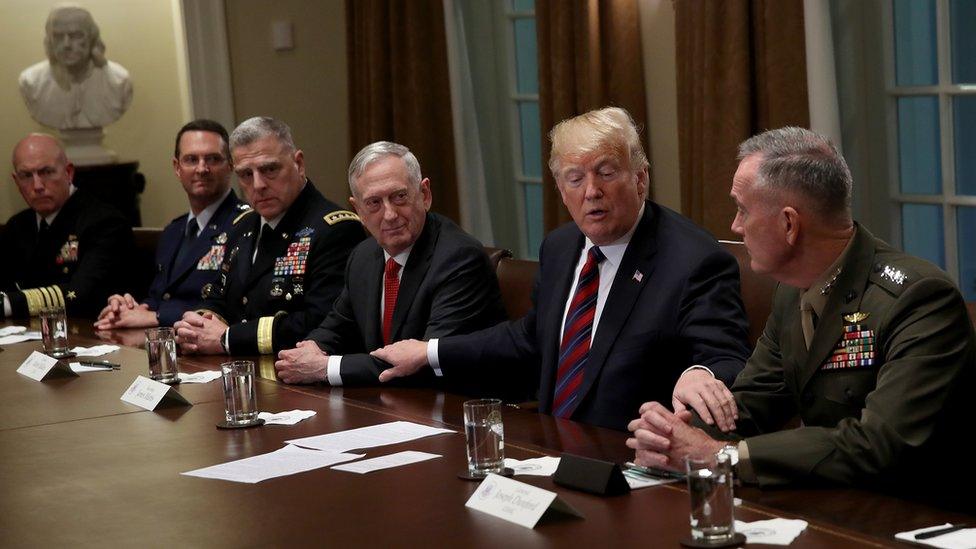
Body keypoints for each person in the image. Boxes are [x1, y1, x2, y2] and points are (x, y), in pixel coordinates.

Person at [627, 127, 976, 498]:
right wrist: (677, 434)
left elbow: (879, 443)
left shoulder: (919, 299)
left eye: (743, 209)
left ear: (789, 224)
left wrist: (720, 456)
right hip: (827, 499)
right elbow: (750, 404)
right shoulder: (792, 289)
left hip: (912, 514)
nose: (735, 226)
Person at [372, 107, 751, 431]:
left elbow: (727, 358)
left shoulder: (693, 259)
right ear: (560, 187)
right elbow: (531, 337)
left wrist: (702, 373)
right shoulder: (561, 246)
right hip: (550, 445)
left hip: (633, 455)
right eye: (575, 178)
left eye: (605, 172)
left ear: (640, 178)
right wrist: (430, 352)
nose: (591, 191)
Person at [274, 141, 507, 390]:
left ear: (425, 194)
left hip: (455, 407)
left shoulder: (459, 259)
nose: (390, 215)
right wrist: (312, 348)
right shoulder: (363, 256)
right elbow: (337, 326)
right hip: (392, 406)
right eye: (374, 203)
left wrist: (324, 368)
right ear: (358, 210)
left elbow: (420, 363)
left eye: (399, 197)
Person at [174, 117, 365, 356]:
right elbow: (218, 295)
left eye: (270, 169)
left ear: (299, 163)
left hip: (301, 379)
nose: (258, 184)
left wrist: (228, 338)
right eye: (245, 174)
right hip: (240, 371)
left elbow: (321, 321)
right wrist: (197, 325)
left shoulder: (335, 229)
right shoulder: (241, 226)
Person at [94, 119, 247, 330]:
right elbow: (160, 295)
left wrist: (156, 316)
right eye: (191, 159)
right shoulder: (173, 231)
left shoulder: (246, 225)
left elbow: (233, 303)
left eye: (212, 159)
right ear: (177, 167)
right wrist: (133, 308)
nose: (202, 168)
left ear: (230, 165)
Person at [0, 134, 133, 318]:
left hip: (89, 334)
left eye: (46, 172)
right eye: (26, 176)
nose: (37, 185)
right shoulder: (18, 226)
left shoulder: (104, 222)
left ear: (68, 172)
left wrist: (6, 304)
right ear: (16, 181)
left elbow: (80, 294)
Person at [19, 5, 132, 130]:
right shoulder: (31, 81)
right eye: (58, 36)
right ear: (49, 40)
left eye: (76, 36)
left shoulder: (119, 81)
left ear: (92, 38)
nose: (66, 44)